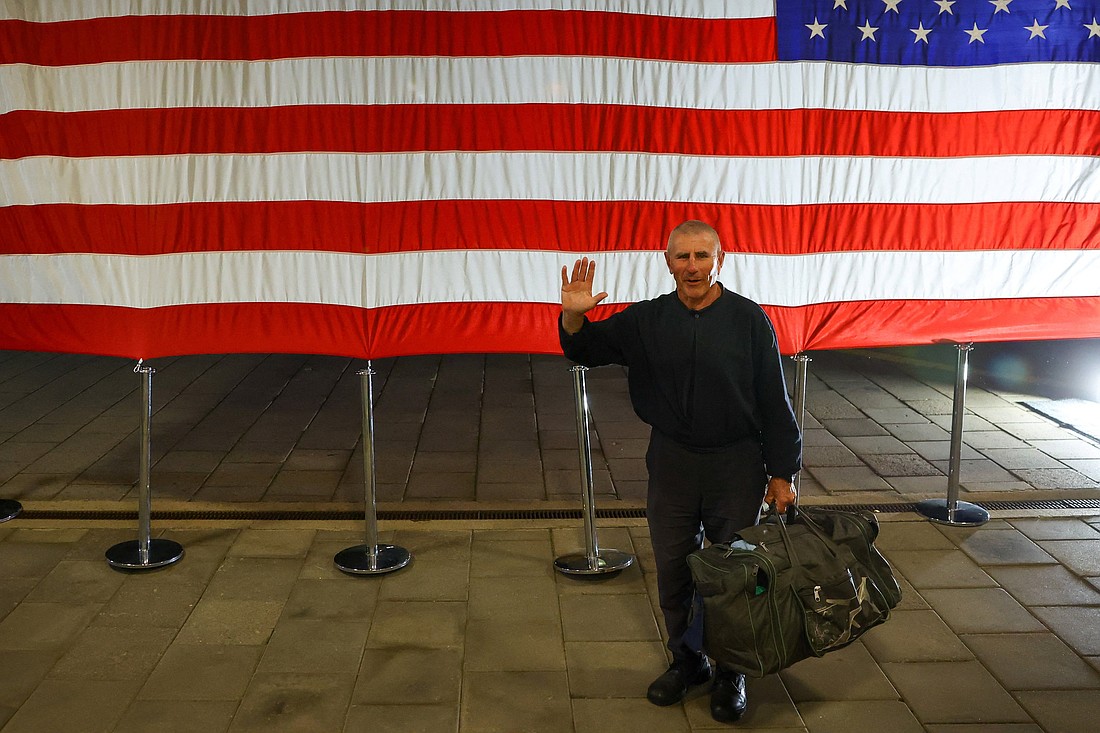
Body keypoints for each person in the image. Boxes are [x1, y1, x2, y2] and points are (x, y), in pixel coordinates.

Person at [558, 220, 802, 724]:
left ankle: (731, 671)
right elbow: (584, 350)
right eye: (682, 257)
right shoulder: (645, 320)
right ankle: (688, 661)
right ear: (667, 261)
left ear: (720, 260)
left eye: (701, 256)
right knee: (672, 567)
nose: (692, 266)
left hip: (737, 463)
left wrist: (782, 472)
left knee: (733, 573)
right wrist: (573, 316)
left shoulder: (749, 321)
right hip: (671, 460)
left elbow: (775, 402)